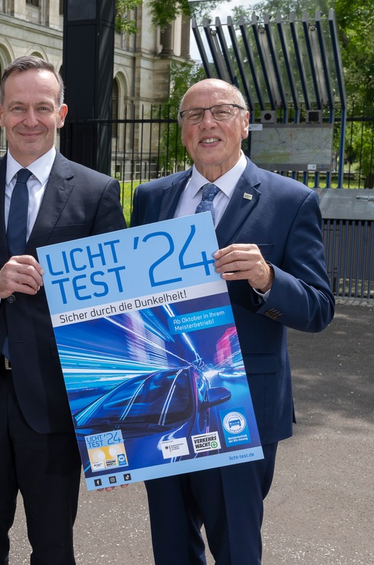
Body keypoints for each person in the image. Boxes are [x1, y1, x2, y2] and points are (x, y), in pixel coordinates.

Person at [0, 55, 126, 564]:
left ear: (61, 114)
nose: (30, 119)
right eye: (17, 108)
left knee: (54, 546)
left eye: (42, 107)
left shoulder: (97, 192)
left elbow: (118, 307)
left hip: (55, 401)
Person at [132, 78, 335, 565]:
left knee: (237, 549)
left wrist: (267, 278)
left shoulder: (290, 200)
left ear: (244, 123)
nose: (207, 123)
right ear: (182, 129)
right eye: (194, 115)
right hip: (164, 406)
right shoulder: (151, 198)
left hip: (240, 407)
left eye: (221, 112)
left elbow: (318, 307)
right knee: (171, 547)